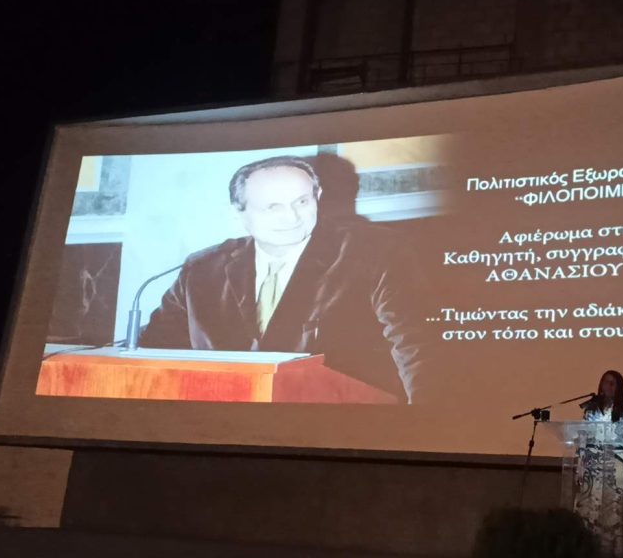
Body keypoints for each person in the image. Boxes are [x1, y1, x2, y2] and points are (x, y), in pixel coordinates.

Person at [138, 154, 432, 403]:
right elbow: (155, 350)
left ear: (318, 197)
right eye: (273, 207)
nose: (292, 218)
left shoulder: (375, 252)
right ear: (239, 213)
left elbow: (417, 348)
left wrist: (423, 424)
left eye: (302, 202)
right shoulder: (203, 269)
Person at [575, 369, 623, 558]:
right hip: (593, 469)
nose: (609, 386)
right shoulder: (591, 410)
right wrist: (580, 464)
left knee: (613, 514)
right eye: (606, 382)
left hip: (615, 466)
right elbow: (582, 439)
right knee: (591, 513)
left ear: (619, 388)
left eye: (613, 383)